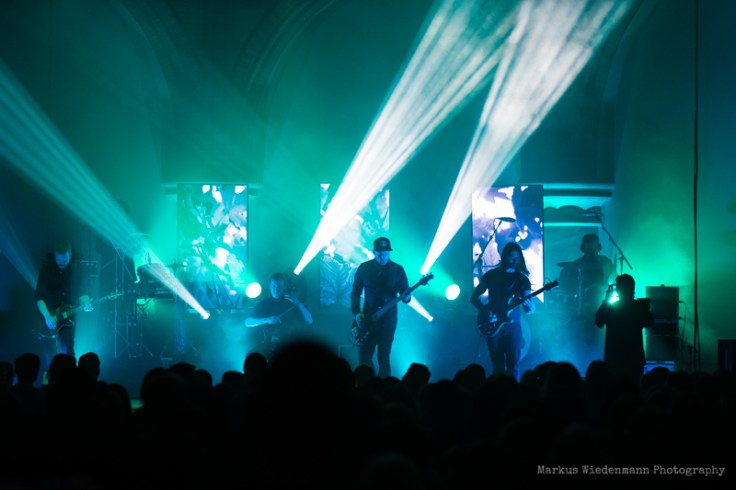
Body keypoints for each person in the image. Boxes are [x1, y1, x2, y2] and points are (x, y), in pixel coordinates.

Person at [470, 242, 535, 381]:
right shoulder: (491, 275)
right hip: (492, 323)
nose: (515, 260)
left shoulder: (522, 280)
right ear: (504, 256)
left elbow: (528, 309)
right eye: (512, 257)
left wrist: (530, 307)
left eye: (518, 257)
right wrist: (484, 311)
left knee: (513, 365)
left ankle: (513, 391)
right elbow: (474, 297)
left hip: (513, 326)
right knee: (497, 365)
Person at [350, 237, 411, 378]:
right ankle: (367, 385)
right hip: (367, 318)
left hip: (388, 321)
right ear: (374, 252)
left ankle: (384, 388)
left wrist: (407, 297)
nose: (382, 256)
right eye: (379, 253)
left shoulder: (398, 270)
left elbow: (405, 294)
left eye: (385, 253)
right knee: (364, 357)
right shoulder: (364, 268)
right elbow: (355, 292)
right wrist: (357, 313)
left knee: (384, 357)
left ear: (389, 253)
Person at [34, 241, 91, 362]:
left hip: (68, 317)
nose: (62, 262)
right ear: (55, 256)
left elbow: (82, 292)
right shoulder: (46, 270)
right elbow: (39, 297)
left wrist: (85, 301)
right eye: (59, 259)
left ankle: (70, 372)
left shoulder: (77, 271)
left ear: (70, 255)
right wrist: (47, 317)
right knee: (49, 354)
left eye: (65, 259)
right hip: (49, 316)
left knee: (69, 349)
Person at [595, 273, 654, 383]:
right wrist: (646, 308)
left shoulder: (611, 308)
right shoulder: (639, 307)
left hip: (614, 360)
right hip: (634, 359)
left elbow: (599, 322)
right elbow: (649, 324)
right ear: (632, 288)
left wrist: (606, 301)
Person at [245, 272, 313, 358]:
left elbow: (309, 320)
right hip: (269, 344)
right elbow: (248, 322)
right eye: (273, 286)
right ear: (269, 286)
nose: (276, 289)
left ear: (284, 287)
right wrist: (268, 320)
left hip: (289, 344)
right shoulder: (263, 303)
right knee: (250, 355)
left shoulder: (291, 301)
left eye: (279, 286)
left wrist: (298, 303)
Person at [560, 233, 614, 318]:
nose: (591, 251)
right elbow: (570, 285)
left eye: (593, 248)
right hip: (585, 298)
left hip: (605, 296)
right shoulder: (577, 264)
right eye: (588, 249)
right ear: (584, 249)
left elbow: (614, 278)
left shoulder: (606, 262)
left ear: (598, 247)